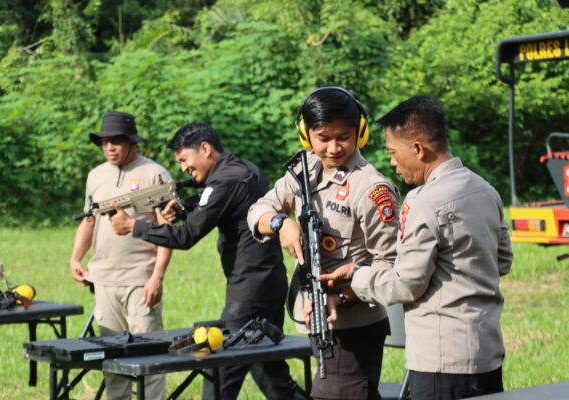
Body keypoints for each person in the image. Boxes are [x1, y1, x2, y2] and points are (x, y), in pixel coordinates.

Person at [315, 96, 513, 400]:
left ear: (418, 149)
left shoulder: (423, 202)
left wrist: (355, 275)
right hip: (487, 352)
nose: (392, 163)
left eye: (394, 153)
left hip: (441, 361)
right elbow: (502, 261)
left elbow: (406, 285)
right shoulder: (485, 189)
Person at [110, 122, 305, 400]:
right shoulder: (242, 168)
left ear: (205, 148)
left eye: (184, 160)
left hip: (249, 289)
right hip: (267, 282)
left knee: (221, 369)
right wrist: (184, 206)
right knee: (270, 371)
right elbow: (218, 204)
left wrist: (133, 226)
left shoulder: (225, 180)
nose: (183, 168)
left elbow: (187, 236)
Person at [247, 86, 400, 400]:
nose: (333, 148)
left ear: (360, 133)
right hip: (316, 319)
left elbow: (390, 264)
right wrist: (281, 223)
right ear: (306, 135)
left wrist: (341, 295)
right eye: (323, 137)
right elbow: (258, 210)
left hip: (353, 327)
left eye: (343, 137)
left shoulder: (372, 188)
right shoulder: (305, 170)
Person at [69, 111, 171, 400]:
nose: (109, 147)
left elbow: (167, 232)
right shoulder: (96, 176)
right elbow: (88, 221)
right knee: (112, 360)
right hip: (103, 280)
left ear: (131, 142)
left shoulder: (155, 174)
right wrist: (76, 258)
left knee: (149, 357)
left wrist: (157, 277)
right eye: (104, 142)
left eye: (116, 141)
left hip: (141, 280)